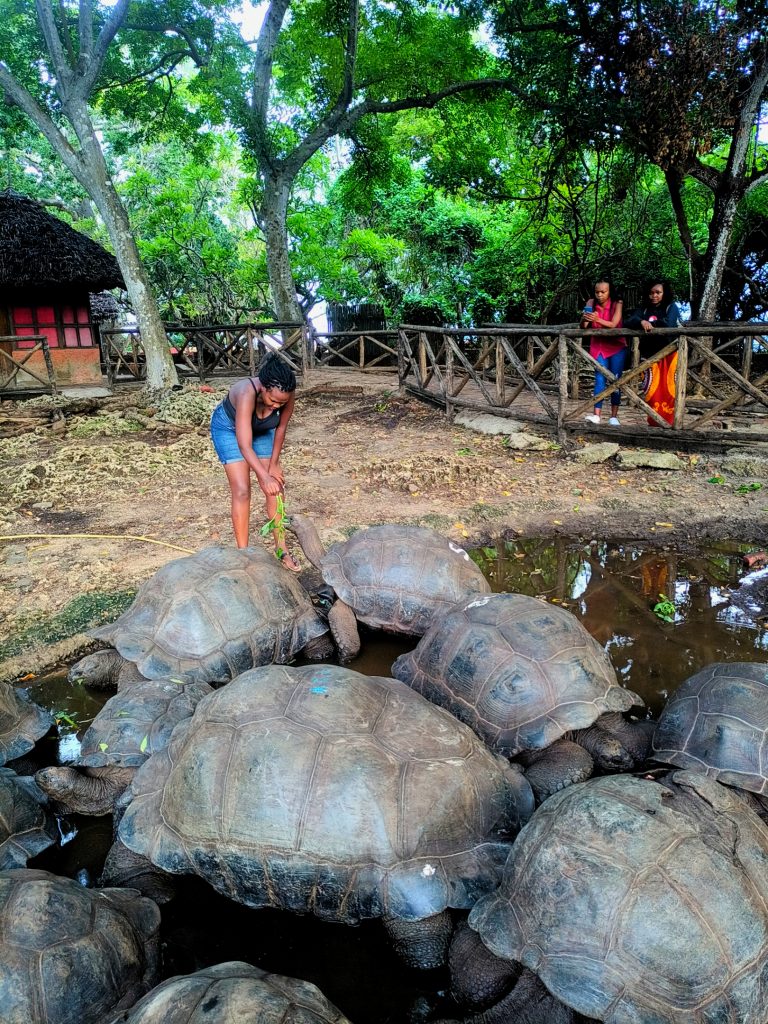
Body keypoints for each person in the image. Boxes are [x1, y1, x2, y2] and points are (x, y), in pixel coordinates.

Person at [209, 352, 300, 568]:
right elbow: (244, 444)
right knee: (242, 489)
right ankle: (244, 554)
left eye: (281, 403)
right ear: (263, 388)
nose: (276, 406)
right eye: (272, 400)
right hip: (230, 430)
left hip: (263, 429)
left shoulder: (286, 393)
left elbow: (282, 427)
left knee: (276, 487)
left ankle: (281, 549)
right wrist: (263, 475)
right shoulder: (246, 392)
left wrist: (274, 464)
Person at [624, 279, 683, 426]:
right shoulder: (644, 309)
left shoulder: (671, 307)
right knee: (650, 388)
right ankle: (654, 421)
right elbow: (629, 320)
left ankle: (669, 422)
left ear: (665, 293)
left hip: (669, 354)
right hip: (649, 355)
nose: (654, 296)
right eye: (651, 293)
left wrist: (652, 324)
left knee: (670, 389)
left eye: (658, 292)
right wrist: (641, 322)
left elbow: (668, 323)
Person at [580, 277, 626, 426]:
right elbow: (583, 327)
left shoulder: (617, 303)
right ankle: (596, 415)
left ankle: (614, 416)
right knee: (599, 378)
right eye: (597, 292)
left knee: (616, 380)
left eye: (603, 292)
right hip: (599, 346)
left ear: (610, 291)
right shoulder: (590, 303)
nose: (599, 295)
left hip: (616, 346)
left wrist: (597, 319)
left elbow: (614, 324)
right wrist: (585, 318)